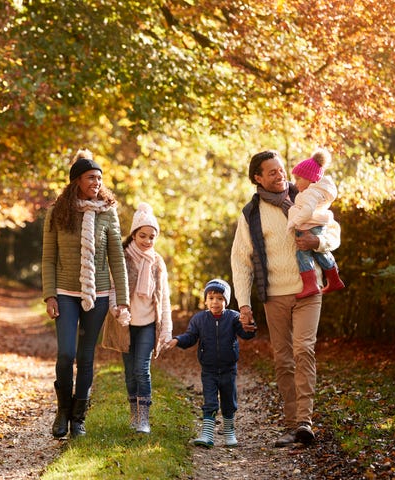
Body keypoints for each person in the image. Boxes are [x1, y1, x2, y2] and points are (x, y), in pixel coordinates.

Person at [230, 149, 341, 447]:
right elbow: (241, 260)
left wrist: (318, 241)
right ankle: (293, 424)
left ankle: (305, 422)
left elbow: (334, 230)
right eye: (272, 172)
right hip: (274, 296)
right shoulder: (250, 214)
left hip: (309, 291)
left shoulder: (306, 195)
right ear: (258, 178)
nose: (280, 176)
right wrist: (244, 304)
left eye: (282, 170)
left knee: (303, 349)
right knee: (283, 360)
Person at [42, 148, 129, 439]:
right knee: (66, 354)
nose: (97, 183)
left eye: (100, 178)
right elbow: (48, 257)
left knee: (86, 356)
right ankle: (63, 411)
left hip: (99, 293)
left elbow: (116, 257)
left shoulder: (107, 212)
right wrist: (49, 295)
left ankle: (79, 418)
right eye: (91, 177)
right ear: (77, 180)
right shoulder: (57, 212)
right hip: (65, 292)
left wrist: (124, 300)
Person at [165, 279, 255, 448]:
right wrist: (177, 340)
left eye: (220, 298)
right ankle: (207, 435)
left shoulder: (233, 317)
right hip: (209, 370)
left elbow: (246, 333)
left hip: (229, 369)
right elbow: (191, 336)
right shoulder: (199, 319)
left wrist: (249, 325)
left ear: (226, 302)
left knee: (229, 401)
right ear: (206, 300)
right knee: (210, 402)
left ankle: (229, 433)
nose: (215, 302)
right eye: (211, 298)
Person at [112, 202, 172, 434]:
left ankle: (144, 420)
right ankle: (134, 415)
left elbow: (164, 298)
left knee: (142, 369)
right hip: (126, 323)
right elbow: (113, 289)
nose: (147, 241)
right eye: (143, 236)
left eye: (151, 237)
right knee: (129, 372)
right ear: (134, 234)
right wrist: (117, 310)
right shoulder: (123, 258)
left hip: (148, 323)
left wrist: (166, 329)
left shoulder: (157, 263)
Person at [286, 148, 345, 298]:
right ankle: (334, 279)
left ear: (311, 178)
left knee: (302, 254)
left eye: (299, 178)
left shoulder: (310, 193)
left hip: (308, 225)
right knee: (320, 254)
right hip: (315, 225)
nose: (295, 182)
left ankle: (311, 284)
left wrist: (294, 222)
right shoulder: (317, 191)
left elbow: (307, 211)